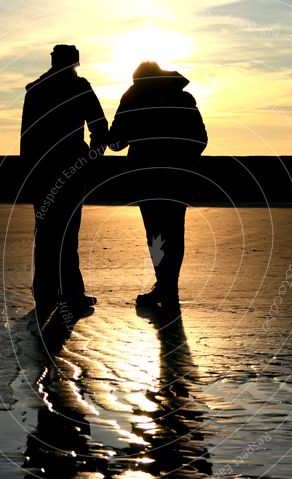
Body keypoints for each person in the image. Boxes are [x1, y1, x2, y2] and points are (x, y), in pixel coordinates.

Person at [109, 61, 207, 310]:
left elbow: (117, 142)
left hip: (147, 177)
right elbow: (201, 138)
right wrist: (184, 160)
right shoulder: (183, 99)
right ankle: (168, 287)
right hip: (178, 177)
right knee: (175, 232)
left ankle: (164, 286)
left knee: (156, 233)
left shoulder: (133, 98)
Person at [21, 44, 109, 320]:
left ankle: (45, 293)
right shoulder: (79, 87)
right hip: (71, 166)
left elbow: (27, 136)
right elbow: (99, 125)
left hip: (43, 169)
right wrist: (93, 155)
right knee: (68, 232)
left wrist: (29, 171)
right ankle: (72, 294)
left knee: (45, 232)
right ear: (74, 63)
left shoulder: (35, 90)